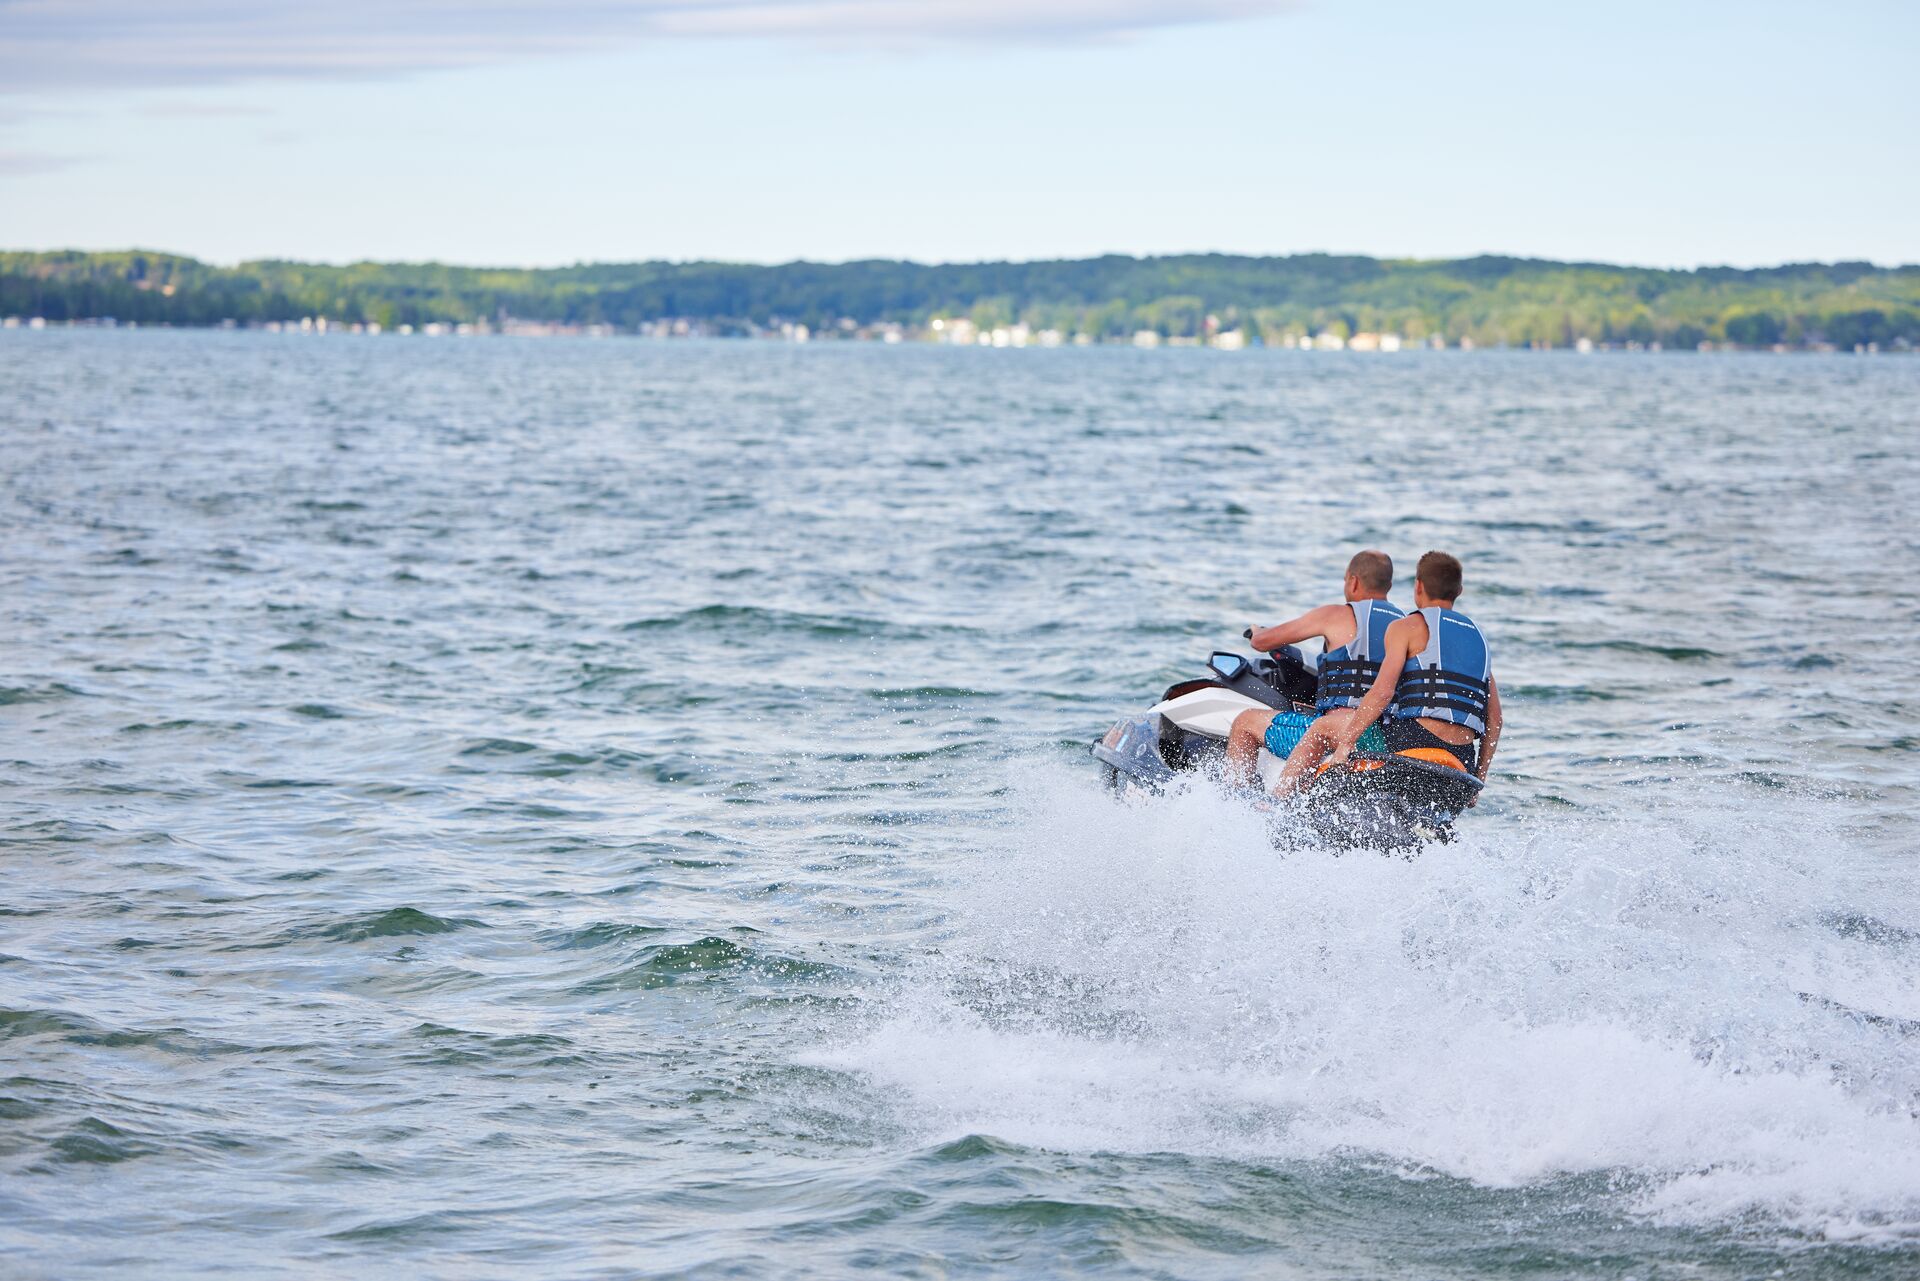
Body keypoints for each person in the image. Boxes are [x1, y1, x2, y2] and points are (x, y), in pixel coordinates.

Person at [1273, 550, 1501, 799]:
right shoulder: (1479, 640)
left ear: (1418, 587)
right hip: (1463, 757)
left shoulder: (1406, 627)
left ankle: (1281, 805)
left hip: (1413, 740)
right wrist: (1477, 779)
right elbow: (1495, 719)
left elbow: (1382, 692)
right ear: (1459, 591)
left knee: (1322, 727)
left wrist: (1346, 745)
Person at [1223, 550, 1403, 787]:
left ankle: (1236, 801)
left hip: (1340, 732)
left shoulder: (1335, 615)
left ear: (1353, 581)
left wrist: (1257, 631)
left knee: (1245, 723)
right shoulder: (1406, 625)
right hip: (1382, 738)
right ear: (1388, 585)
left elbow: (1263, 642)